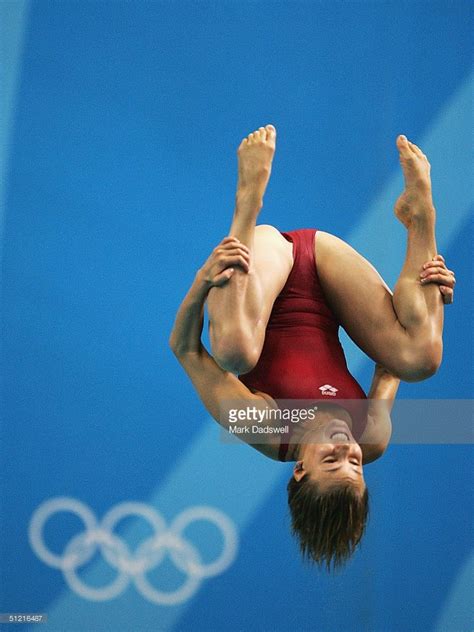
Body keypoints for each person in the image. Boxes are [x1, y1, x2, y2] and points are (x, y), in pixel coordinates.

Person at [169, 125, 455, 570]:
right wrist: (431, 297)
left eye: (332, 459)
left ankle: (247, 204)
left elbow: (185, 348)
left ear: (300, 470)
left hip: (265, 264)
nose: (347, 447)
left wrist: (205, 278)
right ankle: (422, 217)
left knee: (232, 351)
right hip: (328, 269)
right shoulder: (372, 436)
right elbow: (392, 361)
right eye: (355, 464)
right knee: (422, 357)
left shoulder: (263, 425)